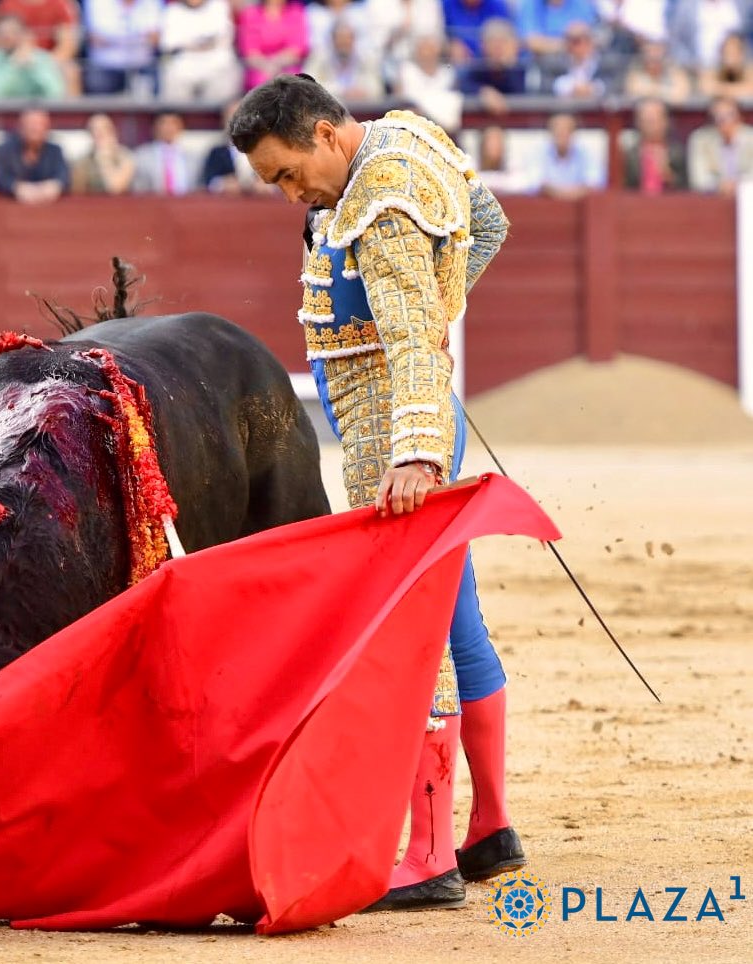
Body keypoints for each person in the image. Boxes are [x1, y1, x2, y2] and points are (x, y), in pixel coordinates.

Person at [229, 73, 521, 911]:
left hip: (387, 435)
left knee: (407, 636)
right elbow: (488, 222)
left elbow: (405, 340)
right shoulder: (401, 139)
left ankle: (427, 857)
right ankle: (490, 826)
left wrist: (417, 451)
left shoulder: (379, 206)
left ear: (325, 133)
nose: (291, 197)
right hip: (410, 416)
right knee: (454, 620)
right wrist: (442, 298)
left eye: (288, 174)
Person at [0, 107, 68, 203]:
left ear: (47, 128)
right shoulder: (4, 151)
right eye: (31, 124)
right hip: (10, 208)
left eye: (39, 124)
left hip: (48, 208)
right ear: (21, 127)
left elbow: (63, 175)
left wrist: (54, 185)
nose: (35, 128)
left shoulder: (55, 151)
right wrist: (16, 187)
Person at [688, 94, 753, 194]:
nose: (724, 120)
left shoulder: (750, 137)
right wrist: (719, 185)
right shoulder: (701, 140)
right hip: (713, 199)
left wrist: (738, 185)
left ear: (739, 116)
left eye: (729, 114)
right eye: (718, 115)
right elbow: (699, 179)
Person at [623, 96, 686, 193]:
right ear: (638, 122)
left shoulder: (678, 152)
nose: (650, 125)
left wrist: (669, 175)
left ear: (666, 121)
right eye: (646, 120)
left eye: (653, 120)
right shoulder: (630, 154)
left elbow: (689, 188)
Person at [535, 111, 605, 197]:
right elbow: (535, 183)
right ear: (550, 132)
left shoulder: (587, 152)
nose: (562, 135)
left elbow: (594, 183)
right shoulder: (538, 152)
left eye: (566, 130)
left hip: (582, 207)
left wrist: (563, 194)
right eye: (558, 131)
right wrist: (568, 195)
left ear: (573, 133)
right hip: (545, 207)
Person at [70, 112, 135, 195]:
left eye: (103, 129)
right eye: (93, 129)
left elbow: (115, 188)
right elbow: (77, 192)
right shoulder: (84, 160)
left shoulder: (125, 155)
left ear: (113, 131)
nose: (98, 133)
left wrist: (104, 159)